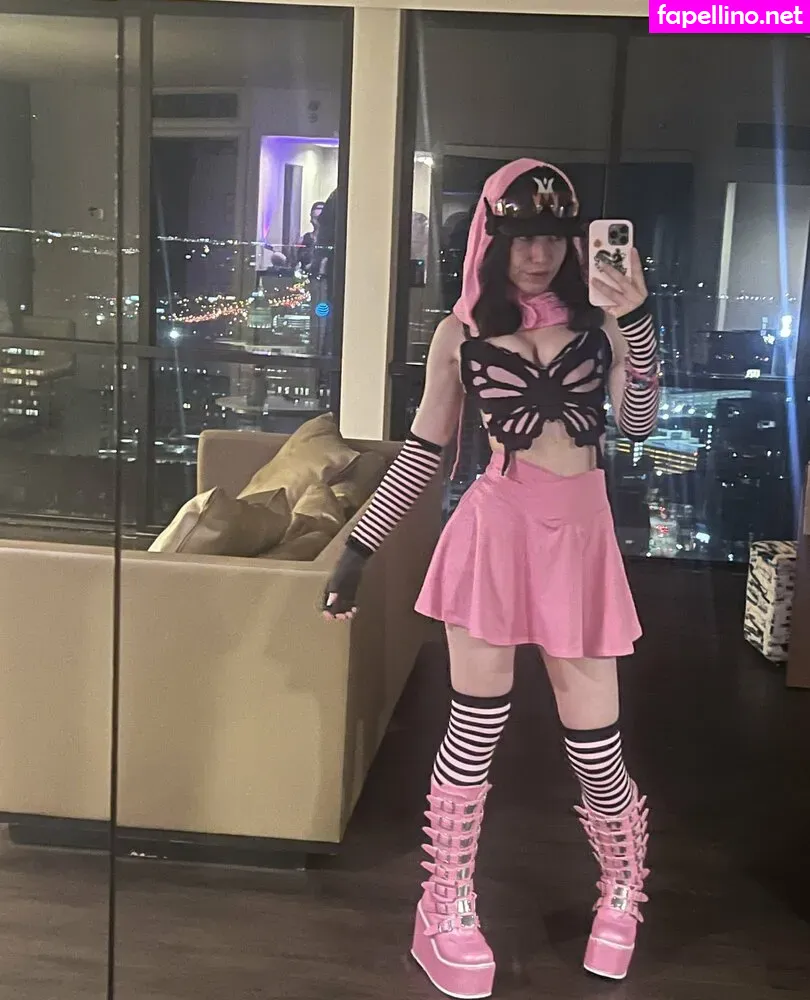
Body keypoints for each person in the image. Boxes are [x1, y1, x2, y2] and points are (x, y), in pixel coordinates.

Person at [322, 158, 660, 998]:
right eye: (521, 237)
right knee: (474, 730)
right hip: (494, 531)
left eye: (552, 237)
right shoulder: (461, 332)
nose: (538, 254)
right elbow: (424, 454)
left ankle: (623, 892)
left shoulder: (603, 322)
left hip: (579, 541)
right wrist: (357, 549)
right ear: (490, 239)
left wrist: (638, 321)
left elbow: (640, 421)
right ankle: (444, 904)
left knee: (597, 746)